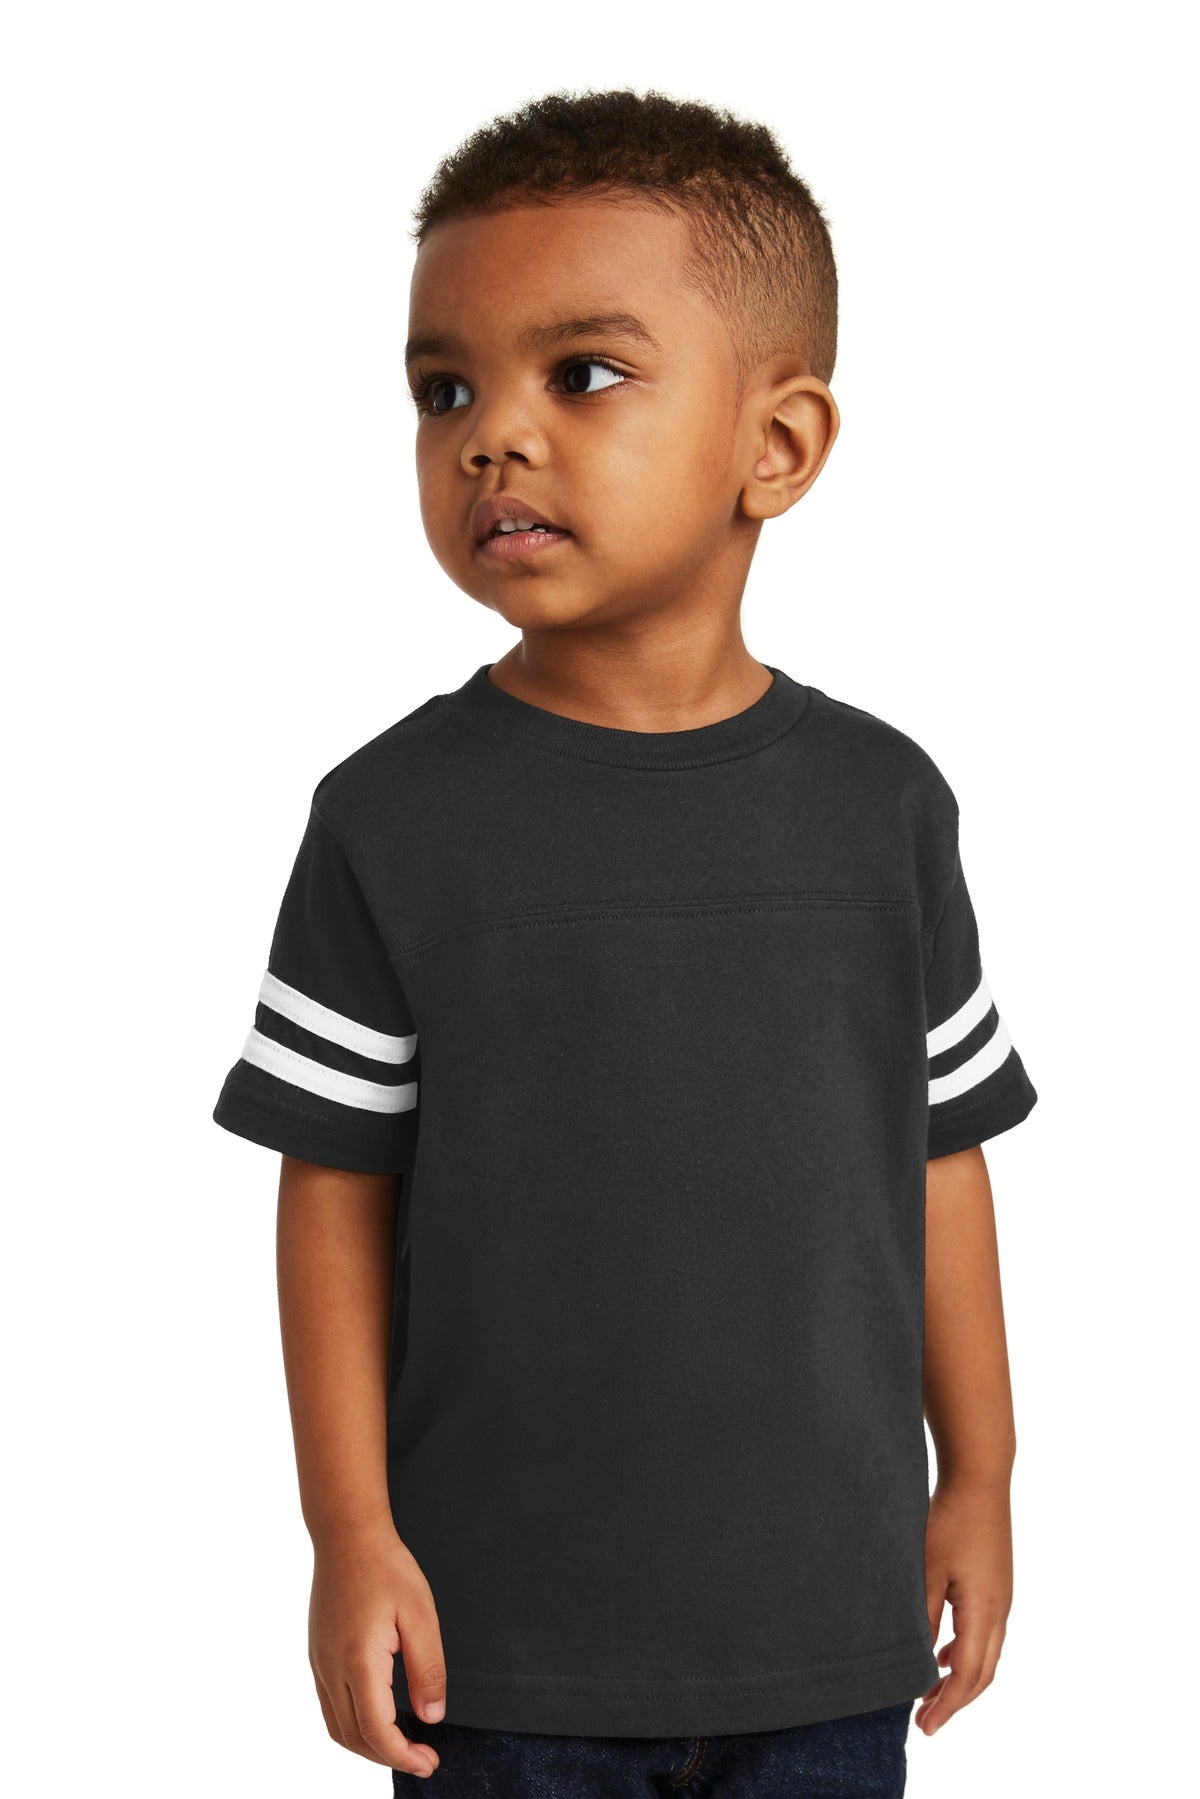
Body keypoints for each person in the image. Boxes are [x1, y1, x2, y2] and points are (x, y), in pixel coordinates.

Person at [213, 88, 1039, 1798]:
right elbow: (332, 1192)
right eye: (445, 390)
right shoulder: (390, 820)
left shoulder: (886, 807)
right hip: (497, 1652)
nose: (489, 440)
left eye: (580, 374)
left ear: (777, 446)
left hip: (829, 1635)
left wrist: (984, 1474)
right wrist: (348, 1535)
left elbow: (940, 1157)